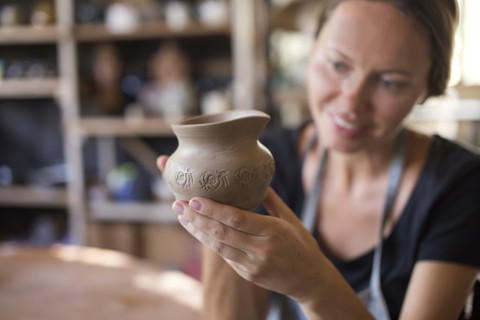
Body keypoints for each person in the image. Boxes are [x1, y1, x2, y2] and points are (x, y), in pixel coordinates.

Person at [157, 0, 480, 319]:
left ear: (428, 87)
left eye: (389, 82)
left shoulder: (461, 184)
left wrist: (314, 284)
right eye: (338, 65)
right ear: (312, 49)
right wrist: (212, 214)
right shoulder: (258, 165)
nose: (351, 102)